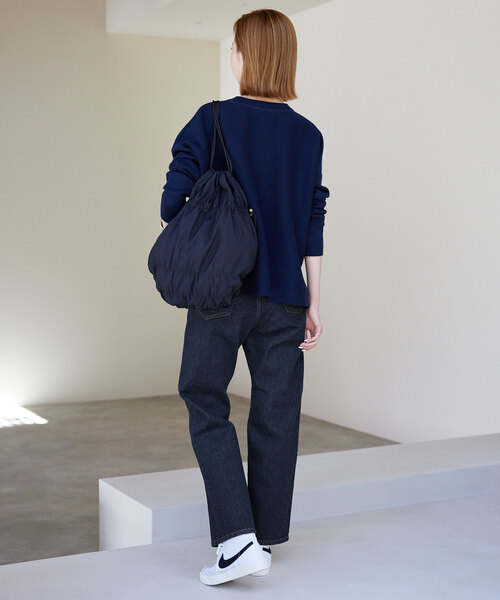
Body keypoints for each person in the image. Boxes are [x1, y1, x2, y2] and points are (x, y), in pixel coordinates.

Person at [160, 8, 330, 586]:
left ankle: (236, 541)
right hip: (287, 297)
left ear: (244, 55)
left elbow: (172, 203)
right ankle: (265, 536)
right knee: (277, 415)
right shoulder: (308, 135)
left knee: (205, 398)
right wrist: (314, 300)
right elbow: (313, 220)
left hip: (221, 294)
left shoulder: (212, 119)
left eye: (234, 48)